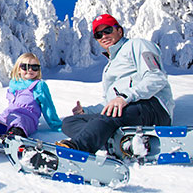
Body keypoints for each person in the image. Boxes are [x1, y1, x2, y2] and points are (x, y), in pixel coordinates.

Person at [58, 14, 174, 153]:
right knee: (70, 122)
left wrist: (126, 97)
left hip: (152, 107)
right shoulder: (109, 67)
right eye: (99, 35)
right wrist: (86, 111)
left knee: (113, 115)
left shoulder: (137, 45)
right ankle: (114, 144)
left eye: (107, 30)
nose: (104, 36)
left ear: (119, 31)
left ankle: (76, 149)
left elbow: (157, 77)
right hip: (123, 112)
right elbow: (110, 103)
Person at [0, 52, 62, 137]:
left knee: (18, 120)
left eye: (34, 67)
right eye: (25, 67)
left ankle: (14, 135)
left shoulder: (39, 85)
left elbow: (48, 107)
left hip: (27, 119)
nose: (30, 70)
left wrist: (56, 125)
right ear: (18, 69)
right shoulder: (14, 84)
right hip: (10, 115)